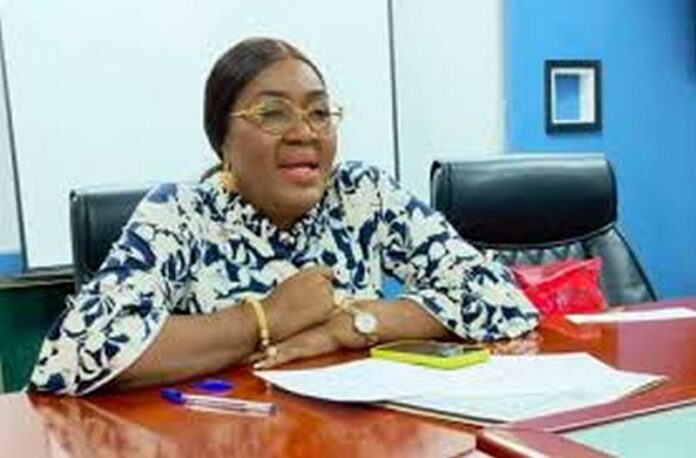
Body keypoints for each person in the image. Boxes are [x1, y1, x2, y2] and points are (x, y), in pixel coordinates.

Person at [29, 37, 539, 396]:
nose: (305, 132)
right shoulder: (181, 214)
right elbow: (71, 356)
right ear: (223, 141)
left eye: (319, 112)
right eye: (272, 114)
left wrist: (351, 325)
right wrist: (267, 318)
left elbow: (502, 297)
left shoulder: (362, 195)